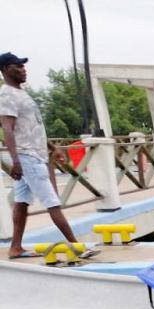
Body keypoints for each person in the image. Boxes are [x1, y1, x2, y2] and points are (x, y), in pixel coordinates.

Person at [0, 53, 89, 259]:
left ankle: (15, 247)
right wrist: (15, 161)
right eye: (17, 66)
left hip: (34, 155)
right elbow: (8, 129)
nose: (23, 69)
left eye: (23, 66)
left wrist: (52, 147)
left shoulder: (22, 93)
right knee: (52, 201)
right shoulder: (6, 95)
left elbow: (32, 127)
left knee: (22, 203)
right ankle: (76, 246)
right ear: (5, 70)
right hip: (27, 157)